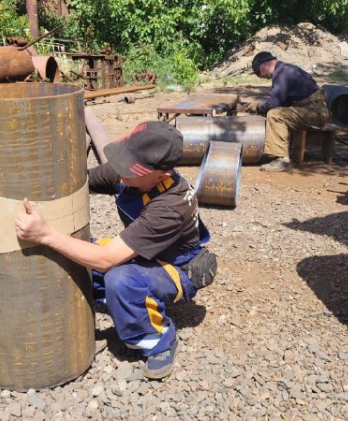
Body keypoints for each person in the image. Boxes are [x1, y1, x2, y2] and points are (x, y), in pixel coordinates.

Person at [15, 121, 217, 380]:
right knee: (79, 251)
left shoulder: (170, 206)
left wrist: (45, 234)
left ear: (161, 175)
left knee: (119, 279)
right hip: (145, 254)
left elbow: (107, 260)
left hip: (176, 267)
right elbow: (79, 182)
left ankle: (157, 339)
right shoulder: (131, 176)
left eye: (130, 168)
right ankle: (127, 304)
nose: (121, 171)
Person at [244, 51, 330, 172]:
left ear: (264, 64)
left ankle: (282, 160)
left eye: (258, 72)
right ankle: (286, 151)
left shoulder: (281, 73)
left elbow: (272, 104)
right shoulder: (286, 69)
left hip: (314, 112)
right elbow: (281, 101)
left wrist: (257, 106)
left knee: (275, 115)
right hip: (315, 110)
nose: (260, 76)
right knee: (277, 112)